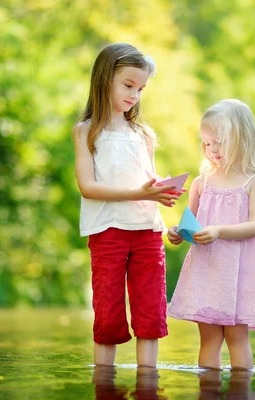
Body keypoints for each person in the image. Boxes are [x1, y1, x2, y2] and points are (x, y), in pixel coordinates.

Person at [73, 43, 183, 368]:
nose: (135, 95)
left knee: (150, 312)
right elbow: (88, 187)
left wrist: (162, 189)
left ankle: (148, 383)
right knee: (107, 314)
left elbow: (145, 181)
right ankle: (104, 383)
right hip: (107, 231)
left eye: (141, 89)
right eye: (129, 85)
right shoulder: (86, 132)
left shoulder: (144, 135)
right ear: (105, 79)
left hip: (147, 232)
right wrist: (142, 192)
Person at [167, 99, 255, 370]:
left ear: (242, 139)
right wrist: (176, 233)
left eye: (219, 142)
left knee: (237, 338)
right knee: (208, 340)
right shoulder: (201, 183)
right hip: (207, 272)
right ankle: (208, 389)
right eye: (207, 143)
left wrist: (219, 231)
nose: (212, 150)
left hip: (239, 275)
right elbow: (189, 224)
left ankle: (241, 389)